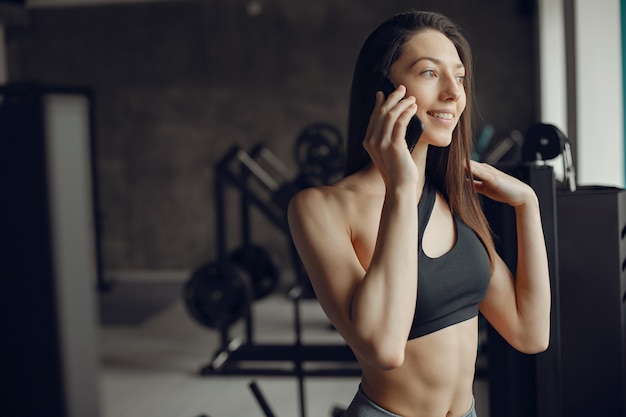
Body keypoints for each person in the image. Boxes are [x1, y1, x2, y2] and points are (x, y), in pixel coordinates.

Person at [287, 9, 551, 417]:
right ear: (384, 90)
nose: (453, 93)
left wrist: (527, 205)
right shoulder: (321, 207)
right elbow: (384, 348)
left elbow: (529, 333)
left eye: (459, 77)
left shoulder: (453, 199)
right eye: (430, 73)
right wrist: (401, 188)